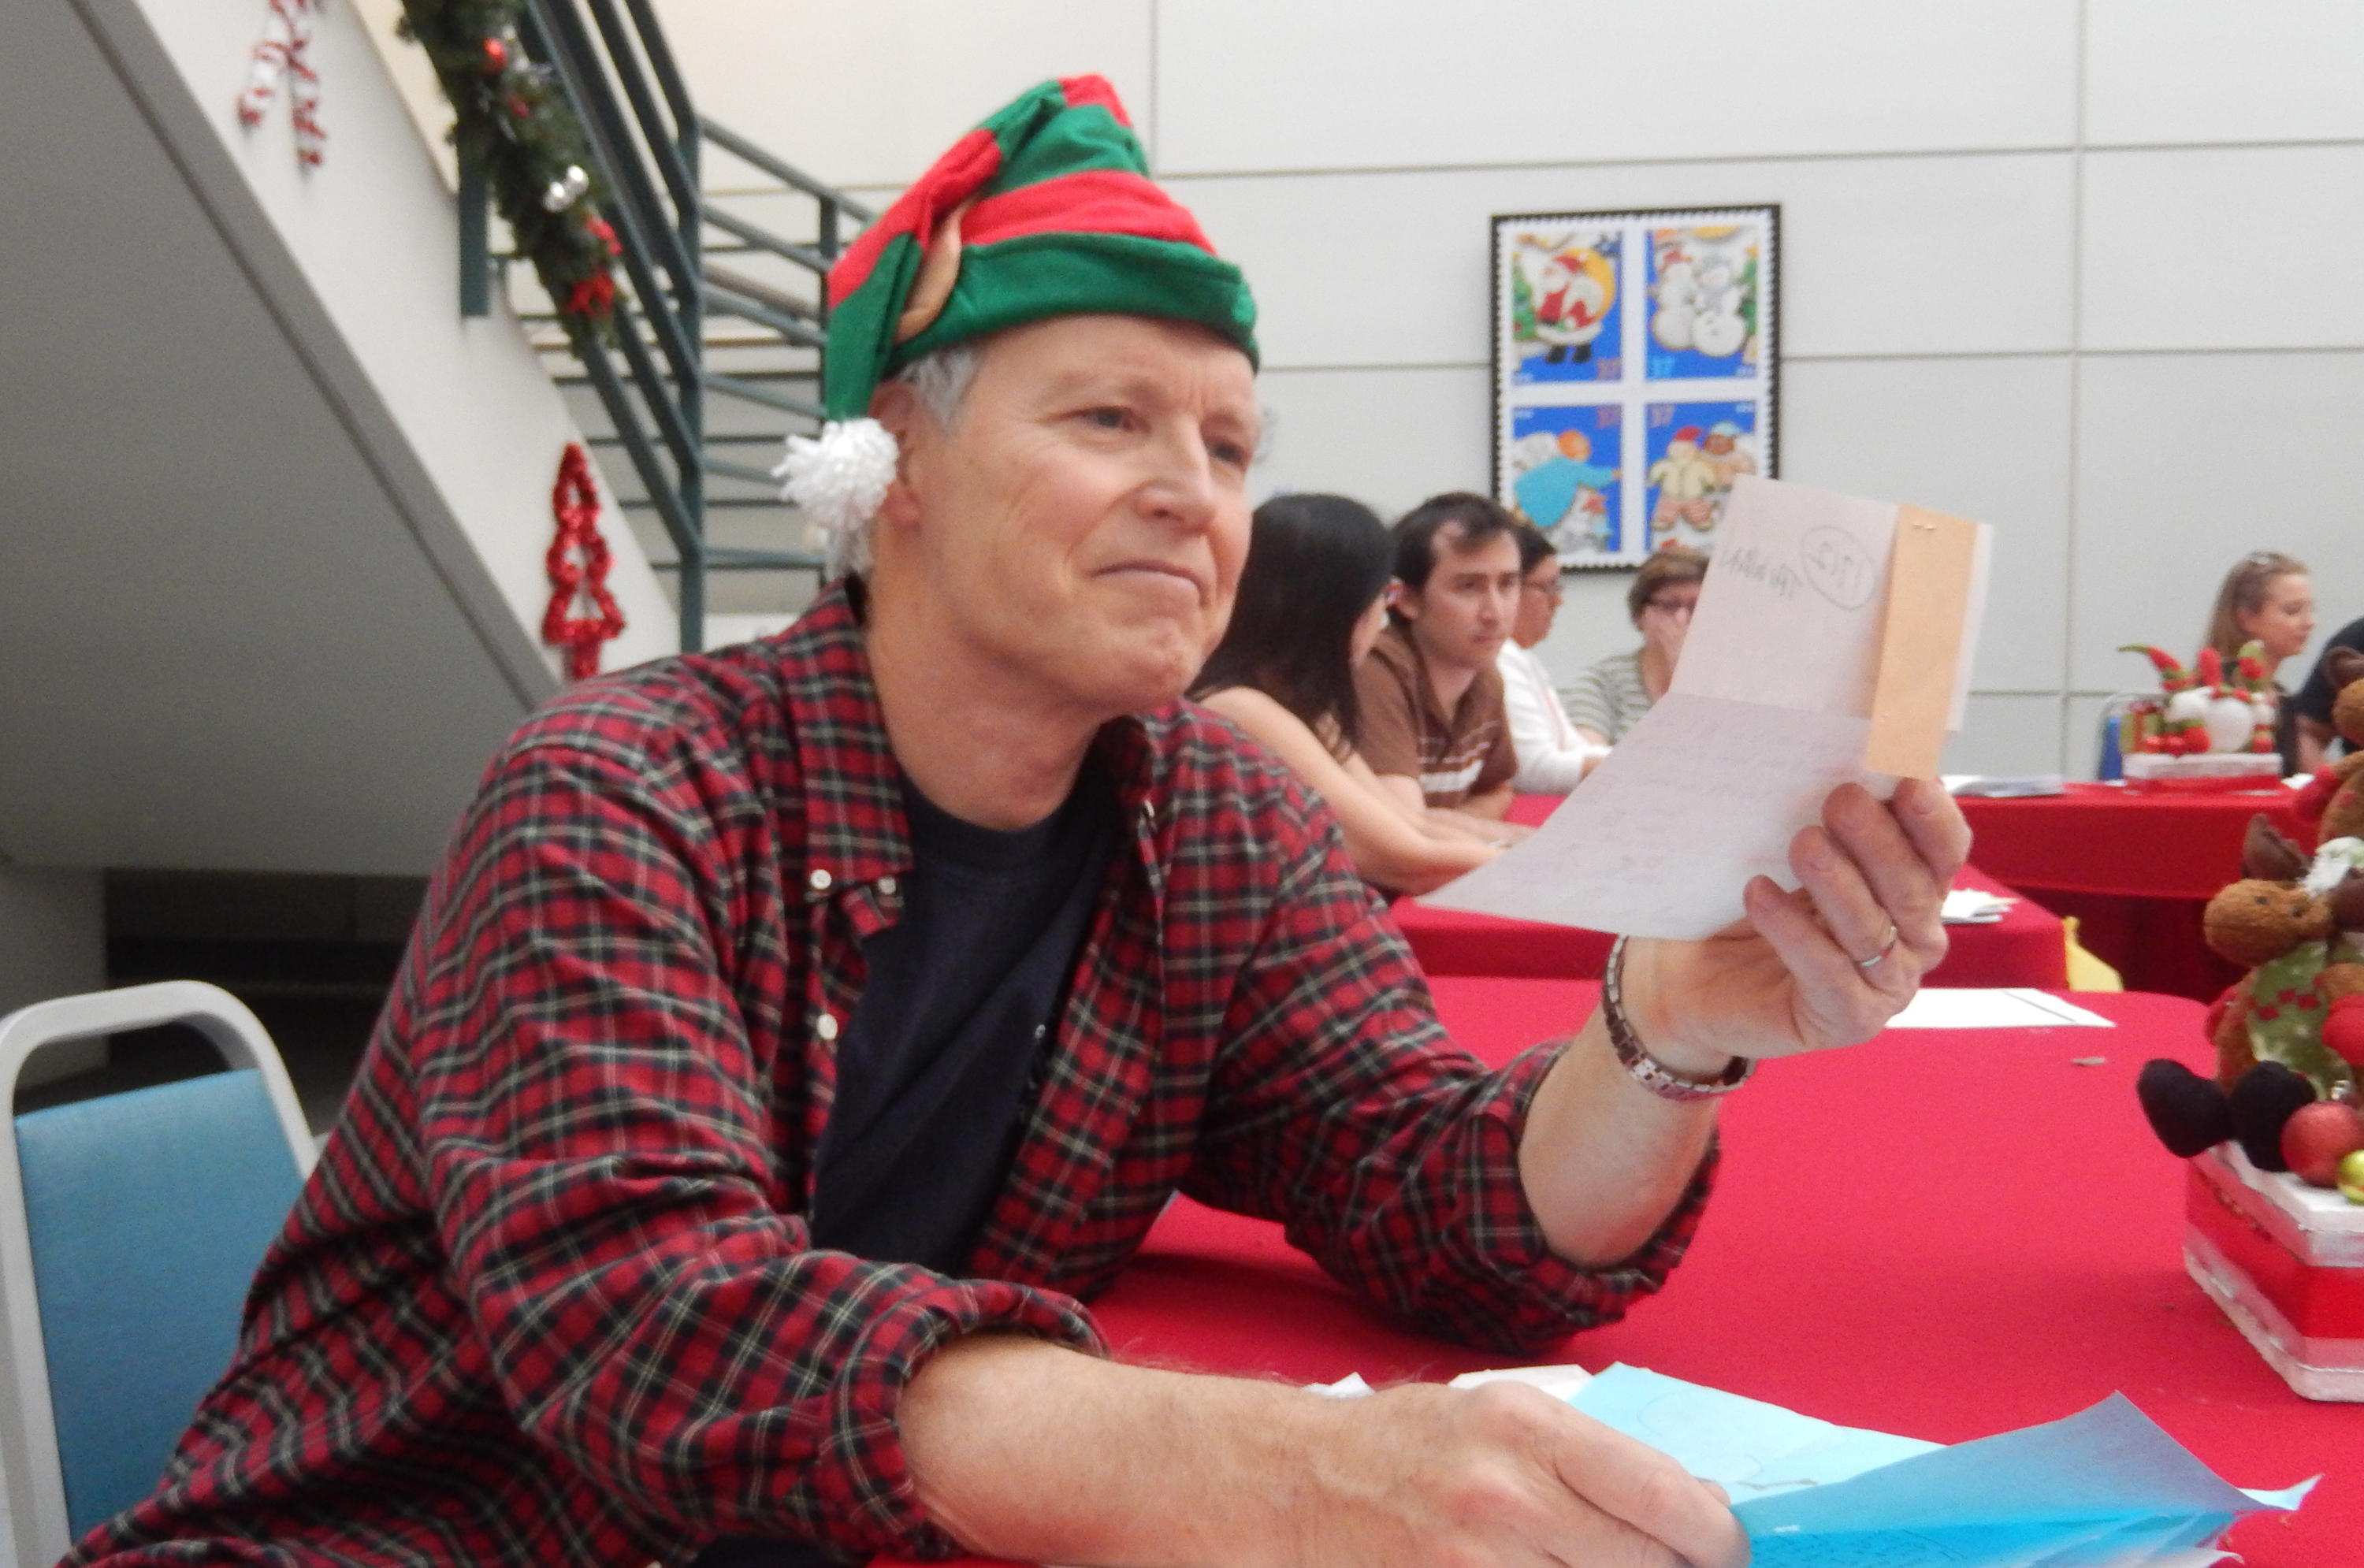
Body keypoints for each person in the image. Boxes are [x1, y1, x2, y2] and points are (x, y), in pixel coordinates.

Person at [79, 77, 1968, 1568]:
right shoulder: (621, 788)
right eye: (1108, 421)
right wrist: (1304, 1473)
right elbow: (654, 1327)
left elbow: (1445, 1193)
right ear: (893, 466)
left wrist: (1673, 1023)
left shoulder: (1207, 817)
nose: (1193, 496)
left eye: (1228, 445)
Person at [1191, 494, 1500, 895]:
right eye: (1383, 596)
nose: (1382, 618)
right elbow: (1405, 860)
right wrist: (1543, 868)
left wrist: (1520, 849)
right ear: (1338, 607)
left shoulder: (1294, 700)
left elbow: (1409, 823)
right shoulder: (1240, 707)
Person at [1353, 493, 1527, 838]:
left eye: (1507, 584)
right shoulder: (1375, 672)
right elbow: (1403, 827)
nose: (1495, 613)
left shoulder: (1484, 676)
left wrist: (1458, 824)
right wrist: (1513, 839)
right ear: (1406, 599)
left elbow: (1497, 789)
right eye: (1469, 587)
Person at [1496, 522, 1607, 792]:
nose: (1558, 600)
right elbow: (1534, 770)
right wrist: (1644, 767)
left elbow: (1573, 747)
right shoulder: (1500, 657)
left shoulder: (1522, 658)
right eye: (1547, 587)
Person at [1567, 544, 1706, 746]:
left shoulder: (1729, 683)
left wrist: (1684, 678)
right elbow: (1589, 755)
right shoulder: (1603, 681)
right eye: (1669, 606)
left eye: (1695, 608)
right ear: (1640, 614)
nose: (1681, 620)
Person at [2201, 551, 2315, 773]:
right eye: (2292, 611)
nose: (2309, 622)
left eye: (2311, 609)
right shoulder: (2219, 696)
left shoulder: (2281, 696)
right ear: (2246, 619)